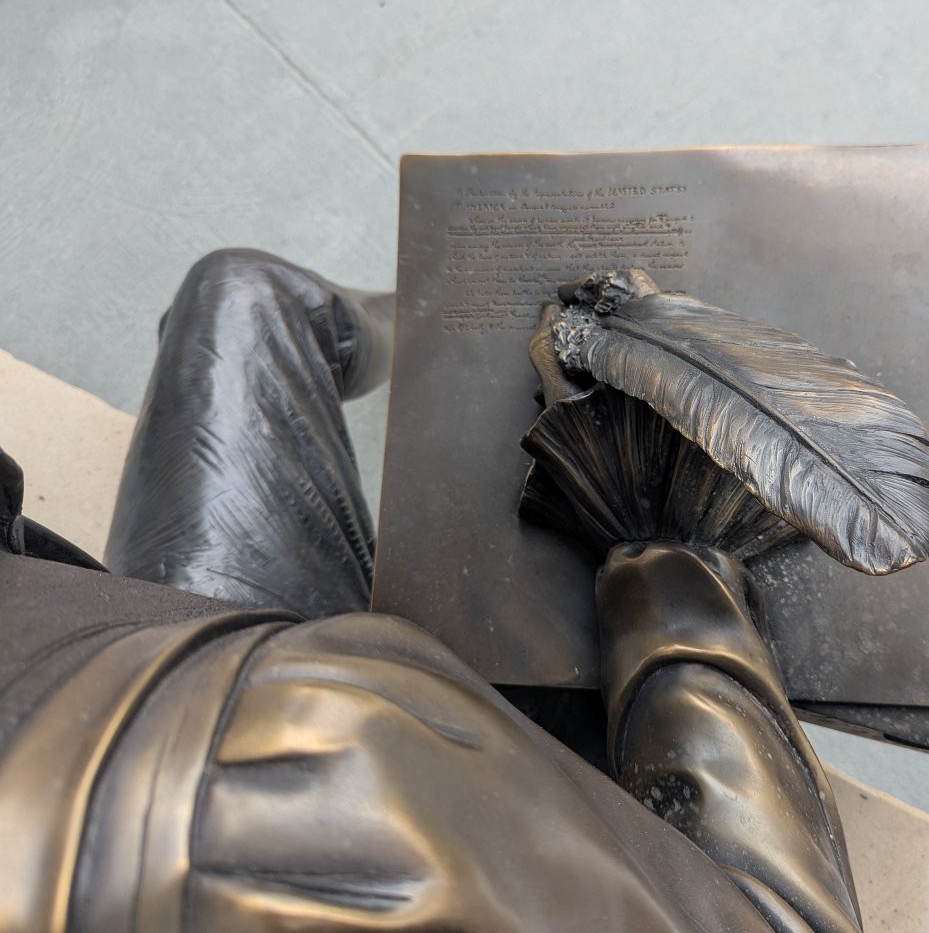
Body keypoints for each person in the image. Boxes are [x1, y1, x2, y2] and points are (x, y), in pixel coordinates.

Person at [0, 250, 861, 932]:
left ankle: (424, 325)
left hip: (142, 657)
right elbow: (775, 918)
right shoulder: (342, 840)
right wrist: (672, 568)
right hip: (264, 773)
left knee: (246, 293)